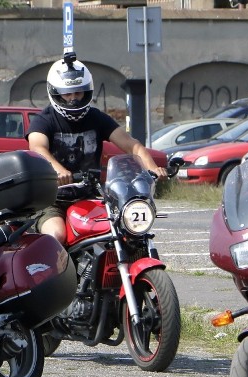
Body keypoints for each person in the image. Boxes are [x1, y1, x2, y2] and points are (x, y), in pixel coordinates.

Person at [27, 53, 167, 244]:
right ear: (56, 93)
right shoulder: (45, 120)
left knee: (117, 233)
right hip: (52, 199)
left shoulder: (96, 118)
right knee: (56, 235)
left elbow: (132, 145)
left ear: (87, 91)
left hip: (89, 196)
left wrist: (151, 168)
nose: (73, 99)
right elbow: (37, 147)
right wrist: (59, 170)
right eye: (67, 94)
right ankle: (51, 273)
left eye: (78, 93)